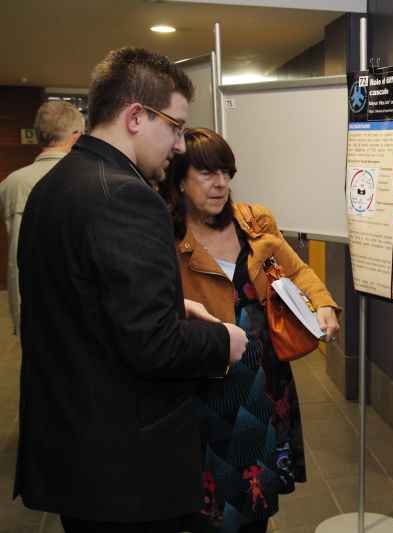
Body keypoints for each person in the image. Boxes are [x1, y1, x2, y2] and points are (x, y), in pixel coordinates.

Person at [14, 48, 248, 533]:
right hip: (125, 470)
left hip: (74, 453)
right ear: (136, 116)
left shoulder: (53, 185)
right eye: (175, 127)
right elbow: (154, 344)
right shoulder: (126, 196)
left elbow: (80, 303)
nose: (179, 146)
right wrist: (224, 341)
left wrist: (171, 304)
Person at [160, 128, 340, 533]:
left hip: (265, 378)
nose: (220, 183)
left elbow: (296, 270)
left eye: (226, 172)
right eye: (207, 173)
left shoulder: (252, 223)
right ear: (180, 180)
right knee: (214, 504)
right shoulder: (165, 236)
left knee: (259, 496)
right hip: (208, 381)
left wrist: (324, 303)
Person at [0, 100, 84, 334]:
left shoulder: (11, 183)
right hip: (74, 312)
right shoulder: (88, 180)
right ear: (77, 136)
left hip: (25, 305)